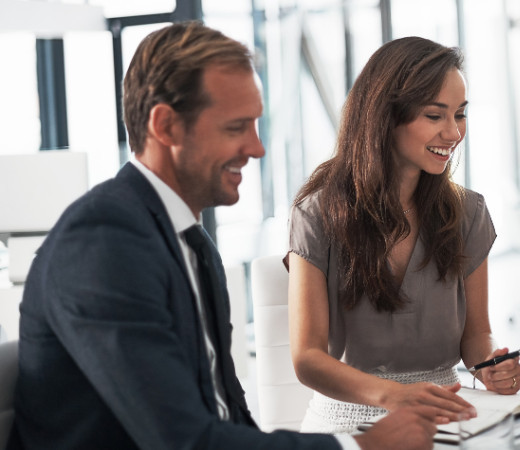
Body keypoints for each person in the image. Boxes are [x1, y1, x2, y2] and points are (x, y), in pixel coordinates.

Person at [9, 22, 438, 450]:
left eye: (256, 125)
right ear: (167, 127)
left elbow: (225, 411)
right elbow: (185, 442)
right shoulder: (102, 245)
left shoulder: (189, 242)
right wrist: (356, 446)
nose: (257, 148)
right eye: (236, 127)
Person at [285, 36, 520, 434]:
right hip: (348, 420)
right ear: (387, 116)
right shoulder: (317, 213)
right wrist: (392, 396)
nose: (453, 133)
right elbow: (307, 357)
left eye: (460, 115)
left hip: (443, 416)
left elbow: (477, 335)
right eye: (435, 116)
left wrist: (490, 367)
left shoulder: (467, 212)